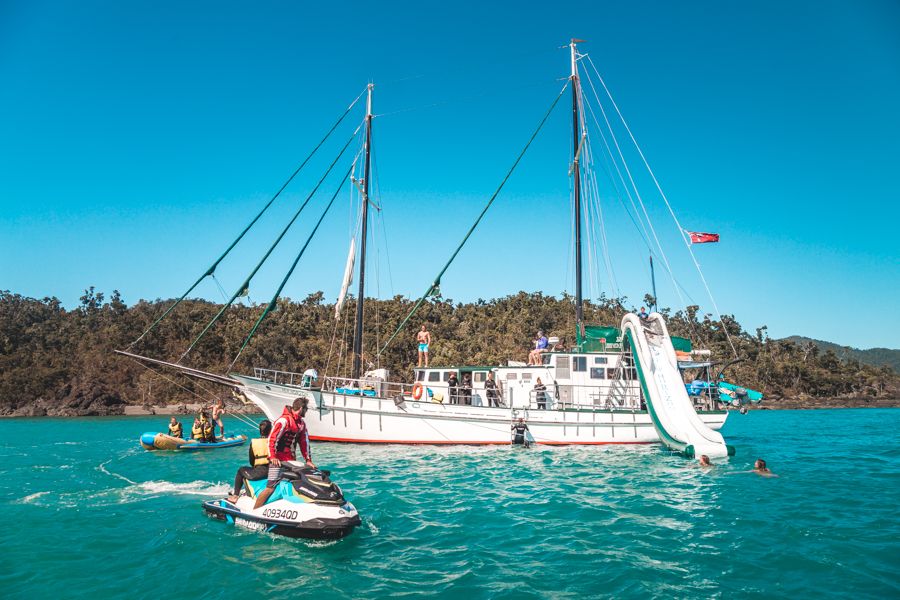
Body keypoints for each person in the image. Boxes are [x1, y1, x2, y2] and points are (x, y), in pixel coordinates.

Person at [253, 398, 316, 509]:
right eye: (306, 409)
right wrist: (272, 456)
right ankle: (254, 511)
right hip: (277, 460)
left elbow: (304, 442)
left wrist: (308, 460)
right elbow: (272, 439)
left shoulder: (301, 424)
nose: (307, 411)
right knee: (271, 487)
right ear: (301, 408)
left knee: (299, 481)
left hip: (291, 461)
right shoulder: (284, 421)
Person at [228, 419, 273, 502]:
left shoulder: (254, 442)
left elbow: (251, 461)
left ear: (260, 431)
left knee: (241, 470)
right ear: (271, 430)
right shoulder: (274, 441)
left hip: (261, 473)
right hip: (274, 472)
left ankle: (235, 496)